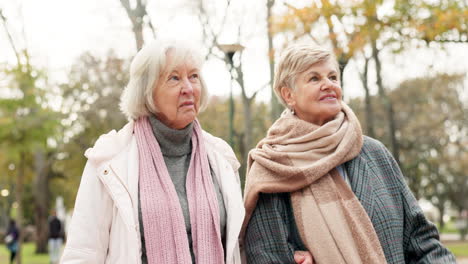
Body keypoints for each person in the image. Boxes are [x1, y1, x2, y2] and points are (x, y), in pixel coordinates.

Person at [60, 37, 308, 264]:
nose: (188, 88)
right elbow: (82, 254)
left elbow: (238, 246)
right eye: (174, 78)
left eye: (194, 76)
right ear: (147, 92)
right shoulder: (110, 159)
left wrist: (290, 254)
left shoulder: (220, 157)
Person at [242, 43, 456, 263]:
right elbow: (267, 255)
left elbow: (421, 240)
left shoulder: (374, 154)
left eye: (333, 77)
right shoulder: (272, 168)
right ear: (288, 95)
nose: (328, 84)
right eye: (314, 78)